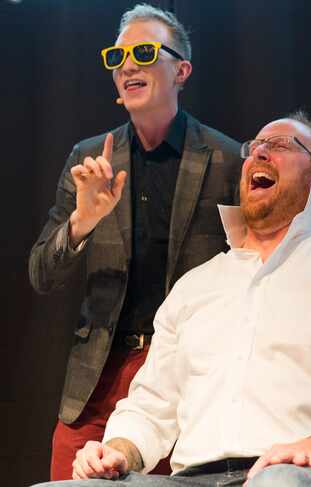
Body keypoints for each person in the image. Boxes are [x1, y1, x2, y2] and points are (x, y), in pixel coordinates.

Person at [32, 111, 311, 487]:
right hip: (192, 480)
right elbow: (151, 407)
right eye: (254, 145)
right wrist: (116, 452)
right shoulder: (196, 286)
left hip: (304, 476)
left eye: (281, 145)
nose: (258, 151)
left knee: (279, 481)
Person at [29, 3, 240, 480]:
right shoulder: (88, 158)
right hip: (98, 376)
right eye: (116, 57)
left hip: (185, 377)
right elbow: (42, 273)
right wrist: (82, 221)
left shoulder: (228, 160)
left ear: (181, 70)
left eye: (144, 52)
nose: (126, 66)